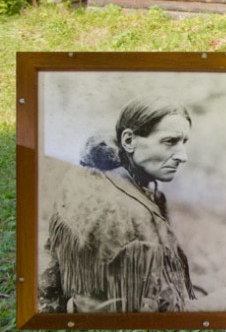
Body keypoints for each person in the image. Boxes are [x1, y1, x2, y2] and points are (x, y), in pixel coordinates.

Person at [39, 97, 197, 313]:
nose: (182, 156)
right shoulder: (125, 212)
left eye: (184, 142)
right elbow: (156, 312)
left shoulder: (90, 175)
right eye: (170, 141)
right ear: (129, 140)